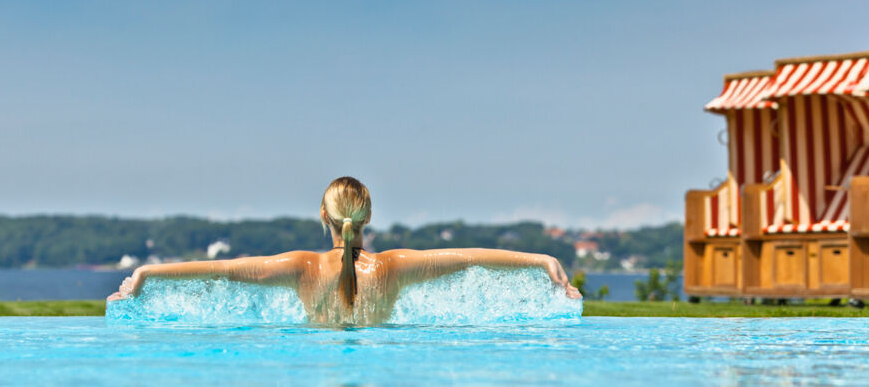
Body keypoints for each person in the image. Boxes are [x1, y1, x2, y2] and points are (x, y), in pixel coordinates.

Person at [109, 177, 581, 324]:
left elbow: (224, 270)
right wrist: (544, 261)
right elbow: (473, 256)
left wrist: (149, 273)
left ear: (323, 216)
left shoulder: (300, 267)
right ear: (368, 218)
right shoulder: (394, 266)